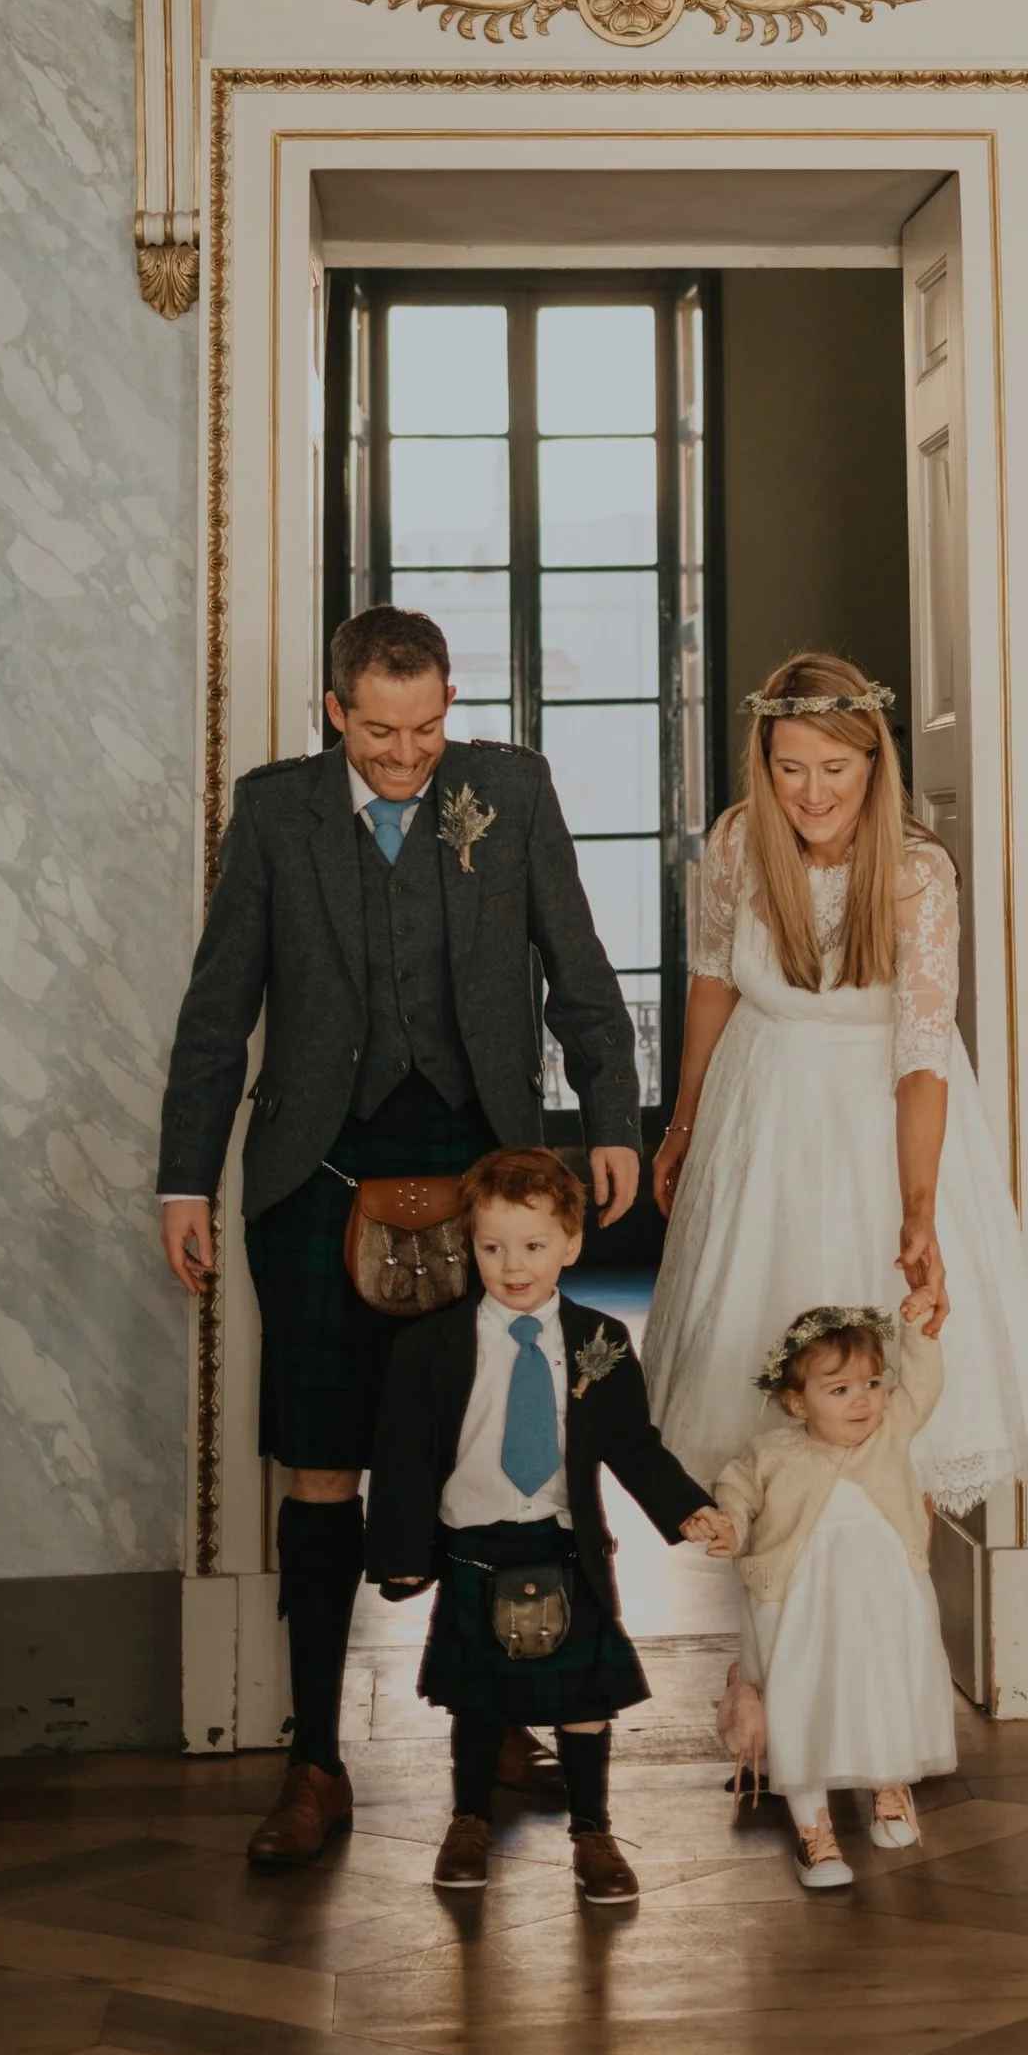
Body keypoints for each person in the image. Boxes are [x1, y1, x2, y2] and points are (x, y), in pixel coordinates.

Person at [156, 604, 646, 1868]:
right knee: (322, 1467)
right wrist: (185, 1183)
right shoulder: (274, 815)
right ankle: (314, 1761)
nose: (405, 753)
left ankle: (495, 1732)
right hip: (316, 1178)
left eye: (426, 728)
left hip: (485, 1174)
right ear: (334, 711)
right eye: (379, 731)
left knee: (495, 1461)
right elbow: (219, 1014)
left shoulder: (511, 792)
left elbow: (580, 972)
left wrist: (609, 1123)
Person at [642, 651, 1028, 1511]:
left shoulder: (916, 874)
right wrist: (682, 1125)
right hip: (759, 1117)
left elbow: (921, 1055)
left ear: (874, 761)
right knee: (752, 1385)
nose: (813, 793)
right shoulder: (734, 844)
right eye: (789, 768)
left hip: (882, 1128)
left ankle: (872, 1608)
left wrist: (918, 1209)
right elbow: (715, 980)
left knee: (879, 1384)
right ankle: (775, 1617)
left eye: (835, 768)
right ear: (764, 766)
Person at [367, 1148, 730, 1905]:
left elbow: (632, 1444)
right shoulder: (428, 1347)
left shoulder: (600, 1341)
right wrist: (401, 1555)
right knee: (477, 1700)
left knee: (585, 1701)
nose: (513, 1265)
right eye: (492, 1247)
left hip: (566, 1546)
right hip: (472, 1545)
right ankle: (469, 1820)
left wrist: (686, 1506)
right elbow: (402, 1458)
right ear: (469, 1244)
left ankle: (592, 1831)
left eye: (533, 1246)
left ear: (571, 1243)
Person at [705, 1298, 956, 1891]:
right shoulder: (773, 1453)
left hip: (884, 1600)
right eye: (838, 1389)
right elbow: (734, 1494)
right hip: (800, 1606)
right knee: (801, 1704)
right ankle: (814, 1830)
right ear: (796, 1403)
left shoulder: (889, 1431)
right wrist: (727, 1526)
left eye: (871, 1383)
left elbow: (923, 1382)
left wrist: (919, 1329)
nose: (863, 1399)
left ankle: (889, 1787)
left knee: (883, 1688)